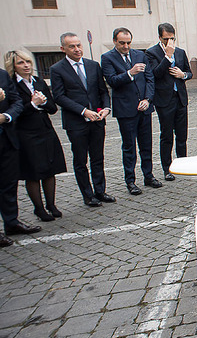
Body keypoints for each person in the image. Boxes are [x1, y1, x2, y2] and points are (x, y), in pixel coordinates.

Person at [50, 32, 115, 208]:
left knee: (98, 158)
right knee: (81, 161)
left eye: (79, 45)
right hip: (76, 123)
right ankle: (88, 195)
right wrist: (83, 111)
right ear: (63, 49)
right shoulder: (57, 69)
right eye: (72, 46)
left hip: (97, 121)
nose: (77, 49)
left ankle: (100, 191)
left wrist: (106, 109)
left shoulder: (93, 65)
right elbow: (59, 97)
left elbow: (102, 91)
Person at [6, 50, 66, 222]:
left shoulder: (38, 82)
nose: (26, 66)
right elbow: (14, 111)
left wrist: (45, 102)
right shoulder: (12, 85)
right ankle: (38, 208)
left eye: (28, 62)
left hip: (45, 129)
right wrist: (33, 104)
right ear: (13, 66)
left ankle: (51, 204)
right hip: (26, 133)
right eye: (21, 63)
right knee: (33, 172)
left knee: (50, 167)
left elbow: (53, 108)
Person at [102, 27, 161, 196]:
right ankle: (130, 181)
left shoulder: (139, 55)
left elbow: (150, 79)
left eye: (128, 42)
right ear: (115, 41)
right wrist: (130, 73)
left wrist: (147, 99)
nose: (126, 46)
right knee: (129, 147)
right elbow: (112, 81)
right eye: (122, 43)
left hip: (144, 108)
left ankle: (148, 176)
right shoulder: (107, 58)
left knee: (146, 145)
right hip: (126, 110)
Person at [0, 67, 41, 246]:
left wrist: (7, 116)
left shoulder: (1, 75)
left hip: (6, 136)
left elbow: (16, 100)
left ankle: (12, 222)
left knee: (9, 183)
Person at [146, 23, 192, 181]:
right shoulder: (151, 53)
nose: (170, 42)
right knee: (166, 136)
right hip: (164, 100)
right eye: (166, 39)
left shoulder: (181, 52)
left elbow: (189, 72)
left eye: (172, 38)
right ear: (160, 38)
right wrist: (167, 56)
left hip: (180, 98)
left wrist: (183, 75)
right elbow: (155, 74)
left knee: (182, 135)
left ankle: (183, 165)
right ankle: (167, 168)